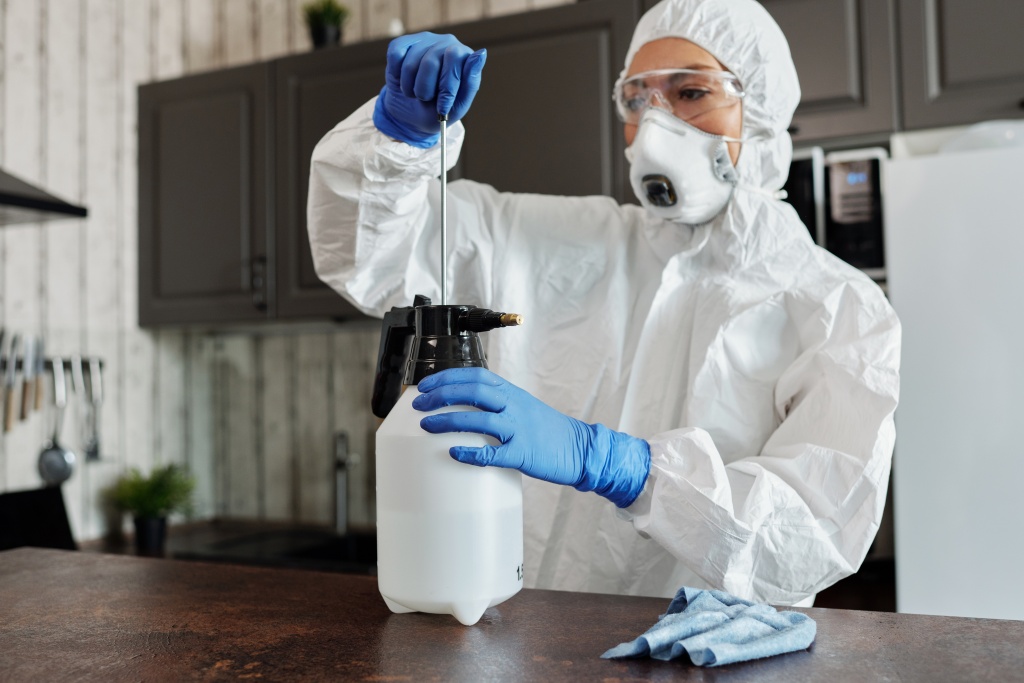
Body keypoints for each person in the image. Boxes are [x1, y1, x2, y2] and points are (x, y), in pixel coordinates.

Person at [307, 0, 900, 606]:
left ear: (764, 112)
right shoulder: (558, 242)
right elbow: (370, 262)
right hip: (528, 642)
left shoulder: (836, 307)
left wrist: (628, 468)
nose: (657, 123)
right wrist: (397, 142)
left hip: (704, 660)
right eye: (637, 99)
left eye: (692, 92)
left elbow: (810, 538)